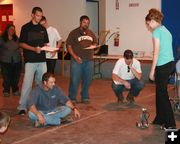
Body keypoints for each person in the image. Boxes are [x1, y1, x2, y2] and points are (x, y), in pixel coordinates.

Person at [145, 8, 176, 129]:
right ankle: (159, 119)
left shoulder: (156, 31)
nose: (148, 26)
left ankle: (170, 124)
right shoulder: (166, 30)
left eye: (148, 24)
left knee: (162, 94)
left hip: (163, 66)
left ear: (153, 20)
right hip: (170, 64)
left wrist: (152, 71)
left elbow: (156, 53)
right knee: (159, 92)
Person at [17, 7, 49, 115]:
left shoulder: (43, 29)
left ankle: (40, 104)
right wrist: (34, 49)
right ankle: (22, 106)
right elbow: (21, 43)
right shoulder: (25, 28)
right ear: (32, 15)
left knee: (41, 84)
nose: (39, 18)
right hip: (30, 61)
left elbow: (45, 43)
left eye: (41, 16)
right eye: (37, 15)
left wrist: (49, 48)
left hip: (42, 61)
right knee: (27, 84)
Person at [66, 15, 98, 104]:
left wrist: (95, 46)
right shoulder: (74, 33)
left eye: (88, 23)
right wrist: (75, 57)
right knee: (74, 80)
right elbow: (68, 46)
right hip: (77, 60)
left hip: (89, 61)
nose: (86, 24)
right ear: (80, 22)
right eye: (84, 22)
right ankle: (72, 97)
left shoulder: (91, 33)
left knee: (87, 80)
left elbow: (95, 42)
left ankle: (85, 96)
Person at [0, 24, 22, 97]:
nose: (12, 31)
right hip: (5, 61)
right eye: (11, 29)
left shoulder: (16, 38)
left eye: (13, 29)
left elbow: (20, 47)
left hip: (16, 61)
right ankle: (6, 90)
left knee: (16, 77)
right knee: (6, 77)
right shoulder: (2, 39)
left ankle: (15, 90)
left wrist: (21, 51)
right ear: (7, 30)